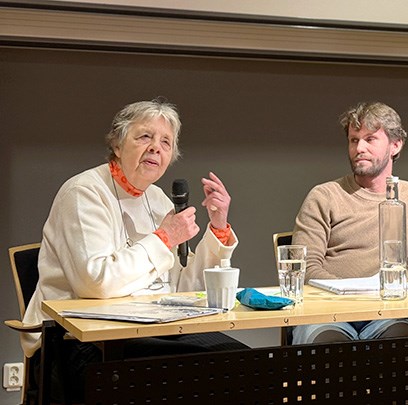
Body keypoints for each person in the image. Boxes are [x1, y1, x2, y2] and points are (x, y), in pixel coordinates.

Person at [21, 98, 247, 401]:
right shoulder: (83, 192)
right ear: (117, 144)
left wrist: (217, 228)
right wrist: (164, 238)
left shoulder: (158, 200)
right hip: (80, 341)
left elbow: (184, 287)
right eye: (144, 137)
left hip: (149, 331)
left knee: (242, 361)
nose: (156, 147)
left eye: (166, 142)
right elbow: (96, 283)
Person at [291, 101, 408, 344]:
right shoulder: (324, 195)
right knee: (330, 345)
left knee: (406, 342)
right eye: (354, 140)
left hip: (388, 312)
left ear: (395, 145)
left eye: (370, 139)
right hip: (328, 313)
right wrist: (356, 294)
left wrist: (380, 296)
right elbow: (305, 268)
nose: (360, 148)